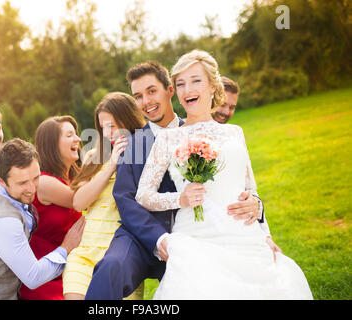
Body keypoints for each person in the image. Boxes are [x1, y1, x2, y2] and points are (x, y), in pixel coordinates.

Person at [135, 49, 313, 299]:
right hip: (196, 237)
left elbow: (251, 191)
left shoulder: (235, 133)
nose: (187, 90)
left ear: (212, 86)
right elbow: (143, 195)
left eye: (196, 80)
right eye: (181, 84)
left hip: (244, 236)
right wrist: (180, 199)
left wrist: (265, 229)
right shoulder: (168, 138)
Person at [85, 61, 269, 300]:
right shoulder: (133, 143)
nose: (146, 101)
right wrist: (158, 239)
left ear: (170, 90)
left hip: (193, 233)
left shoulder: (201, 132)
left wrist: (256, 205)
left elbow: (233, 184)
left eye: (152, 91)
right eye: (138, 96)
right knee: (111, 267)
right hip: (141, 237)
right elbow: (125, 199)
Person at [0, 138, 85, 300]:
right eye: (22, 183)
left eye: (36, 178)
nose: (31, 188)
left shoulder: (5, 191)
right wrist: (66, 248)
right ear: (1, 181)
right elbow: (33, 277)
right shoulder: (2, 220)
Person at [63, 92, 145, 300]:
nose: (108, 133)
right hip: (85, 251)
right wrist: (111, 166)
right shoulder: (95, 155)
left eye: (113, 126)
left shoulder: (145, 154)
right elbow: (79, 201)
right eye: (103, 127)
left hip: (121, 255)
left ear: (128, 121)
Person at [19, 116, 83, 300]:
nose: (78, 139)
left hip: (70, 268)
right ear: (52, 145)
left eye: (76, 134)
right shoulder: (44, 181)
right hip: (46, 274)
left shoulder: (72, 178)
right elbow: (85, 201)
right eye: (69, 135)